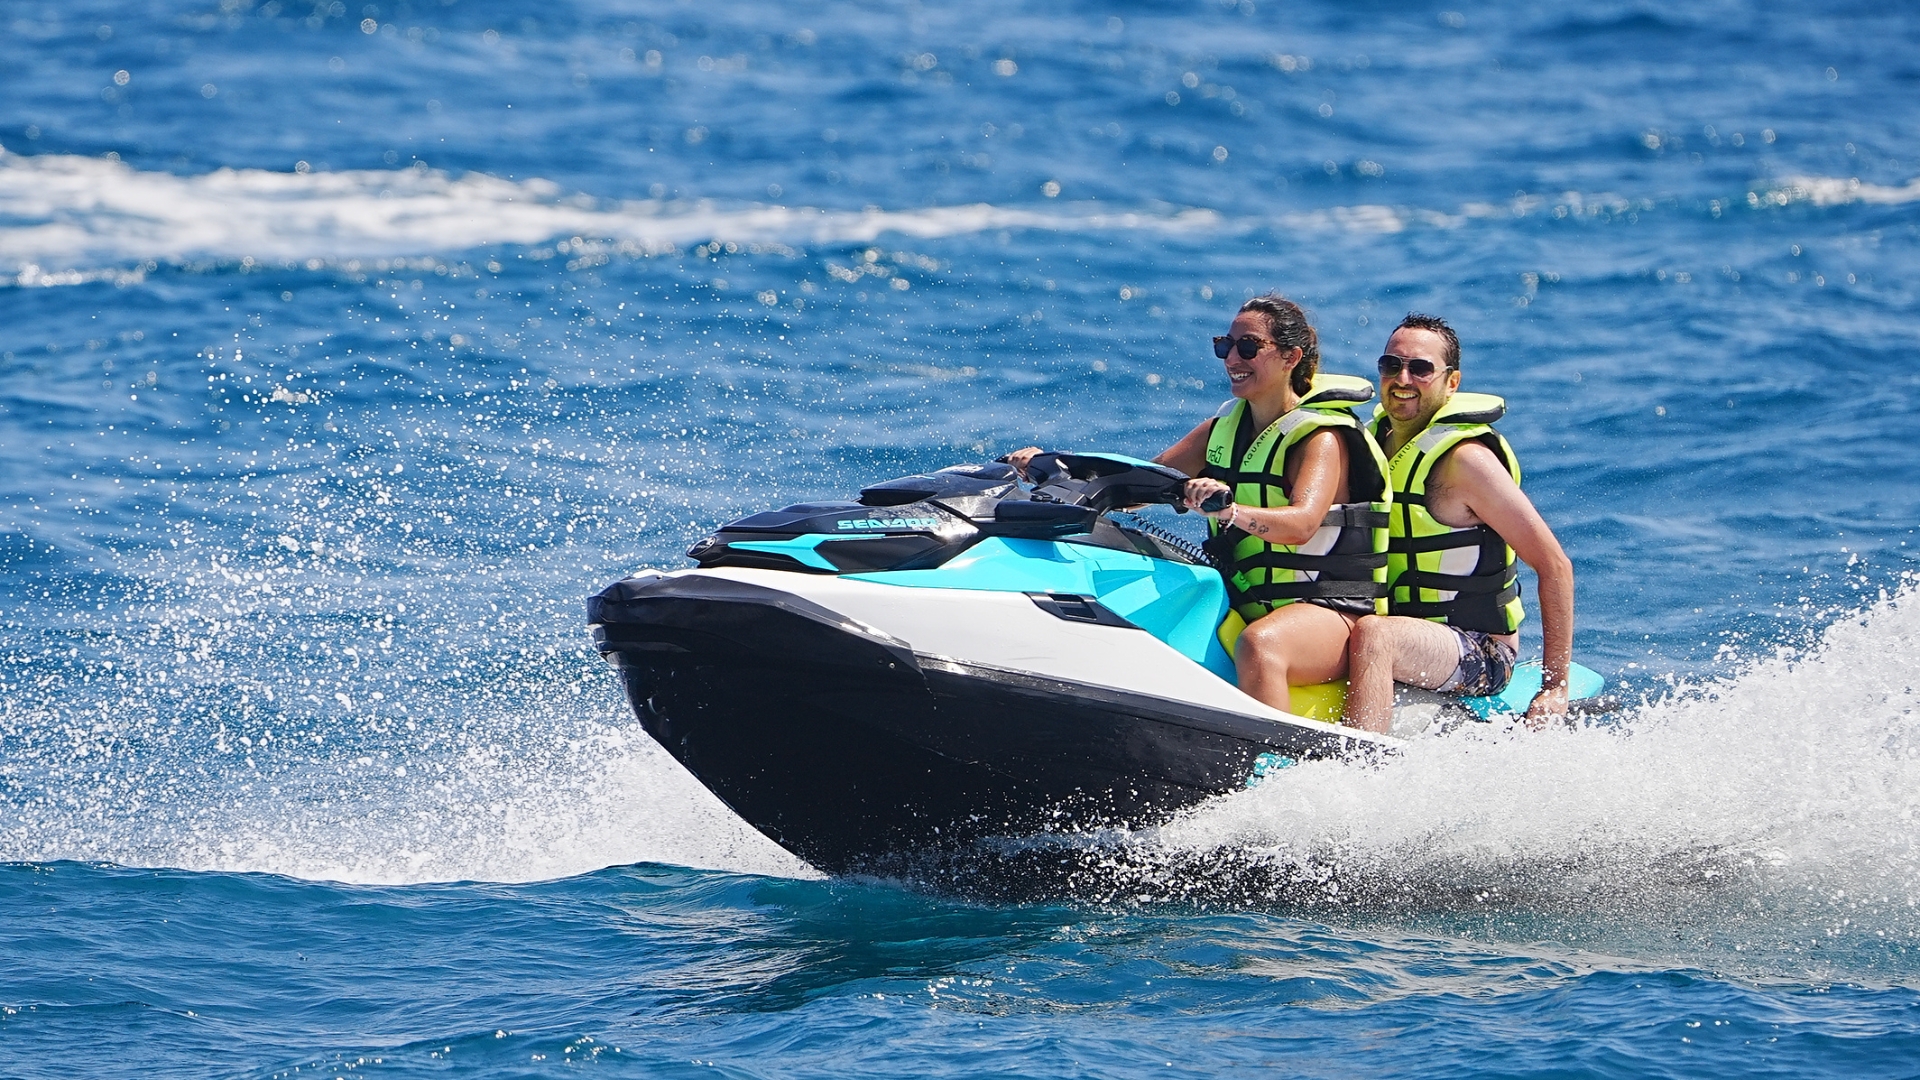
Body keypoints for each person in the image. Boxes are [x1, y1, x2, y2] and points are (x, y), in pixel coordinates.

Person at [1013, 295, 1391, 715]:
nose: (1232, 357)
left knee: (1261, 645)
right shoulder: (1221, 429)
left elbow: (1301, 524)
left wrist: (1228, 511)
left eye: (1248, 347)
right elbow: (1137, 482)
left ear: (1290, 357)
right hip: (1245, 599)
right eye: (1223, 345)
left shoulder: (1322, 438)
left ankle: (1273, 768)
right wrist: (1050, 469)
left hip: (1331, 615)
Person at [1341, 313, 1574, 733]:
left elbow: (1555, 565)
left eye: (1421, 368)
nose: (1403, 378)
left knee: (1376, 635)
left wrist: (1555, 687)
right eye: (1391, 365)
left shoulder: (1466, 462)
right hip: (1406, 631)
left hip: (1479, 650)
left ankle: (1361, 769)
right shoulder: (1370, 443)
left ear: (1452, 382)